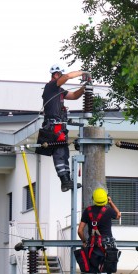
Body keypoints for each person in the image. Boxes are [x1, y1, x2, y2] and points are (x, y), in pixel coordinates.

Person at [40, 64, 91, 192]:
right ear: (56, 75)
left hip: (59, 126)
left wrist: (84, 88)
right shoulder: (51, 86)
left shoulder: (59, 91)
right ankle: (64, 182)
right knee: (59, 153)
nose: (63, 77)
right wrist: (82, 73)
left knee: (63, 152)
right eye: (61, 75)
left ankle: (67, 181)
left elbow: (74, 96)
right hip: (53, 126)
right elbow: (68, 76)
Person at [77, 187, 121, 274]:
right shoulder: (108, 211)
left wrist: (85, 241)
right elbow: (118, 215)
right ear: (105, 199)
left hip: (92, 248)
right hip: (107, 248)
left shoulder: (88, 211)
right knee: (106, 272)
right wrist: (110, 202)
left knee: (91, 273)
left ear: (94, 199)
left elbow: (80, 231)